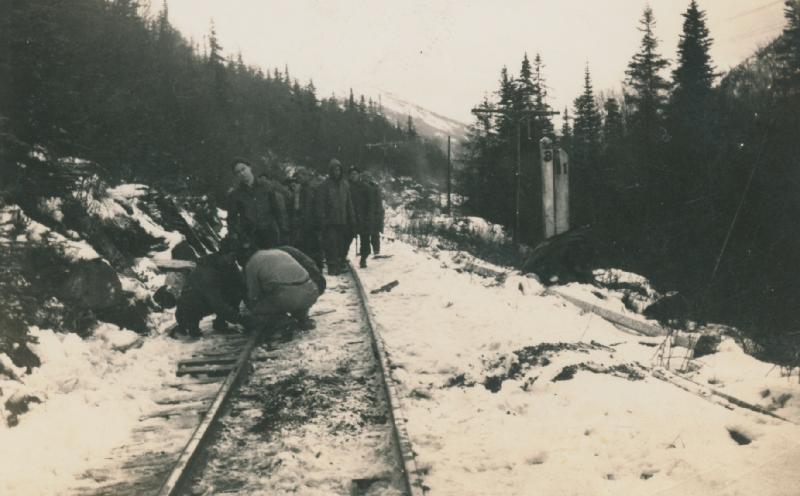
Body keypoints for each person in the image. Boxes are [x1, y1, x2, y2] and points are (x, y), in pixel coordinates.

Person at [244, 241, 326, 334]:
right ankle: (302, 318)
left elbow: (254, 294)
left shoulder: (252, 262)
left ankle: (283, 322)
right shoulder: (280, 252)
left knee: (258, 309)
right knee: (292, 292)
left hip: (287, 297)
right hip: (311, 291)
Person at [173, 238, 244, 338]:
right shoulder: (206, 270)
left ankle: (220, 322)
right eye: (232, 256)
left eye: (235, 257)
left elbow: (241, 286)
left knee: (235, 289)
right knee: (192, 302)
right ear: (223, 254)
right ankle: (191, 327)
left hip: (208, 301)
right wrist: (241, 320)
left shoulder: (229, 264)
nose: (234, 260)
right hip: (188, 309)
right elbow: (217, 303)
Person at [226, 158, 286, 264]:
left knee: (276, 263)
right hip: (251, 237)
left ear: (250, 167)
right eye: (238, 172)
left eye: (243, 169)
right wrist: (237, 237)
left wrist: (283, 230)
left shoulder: (266, 186)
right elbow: (232, 219)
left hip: (270, 233)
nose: (242, 173)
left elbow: (276, 210)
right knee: (258, 265)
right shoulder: (235, 195)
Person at [315, 158, 355, 275]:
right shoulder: (325, 186)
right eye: (334, 170)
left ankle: (339, 263)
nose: (336, 172)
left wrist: (352, 219)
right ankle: (332, 266)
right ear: (330, 171)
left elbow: (349, 203)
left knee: (342, 244)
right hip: (330, 222)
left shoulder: (345, 185)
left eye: (338, 170)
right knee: (330, 244)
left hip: (343, 220)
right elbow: (320, 205)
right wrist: (322, 219)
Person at [287, 168, 323, 269]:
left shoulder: (312, 189)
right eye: (298, 176)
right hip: (302, 225)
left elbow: (317, 207)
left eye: (302, 175)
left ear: (307, 176)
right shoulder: (299, 190)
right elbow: (294, 207)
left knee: (313, 250)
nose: (299, 178)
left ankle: (316, 270)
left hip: (311, 225)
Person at [348, 167, 384, 267]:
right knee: (346, 239)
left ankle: (363, 258)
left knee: (365, 240)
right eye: (351, 174)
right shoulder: (346, 186)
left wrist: (370, 217)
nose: (353, 176)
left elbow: (372, 204)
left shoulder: (367, 188)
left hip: (363, 218)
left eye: (355, 174)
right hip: (350, 217)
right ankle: (342, 258)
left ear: (358, 175)